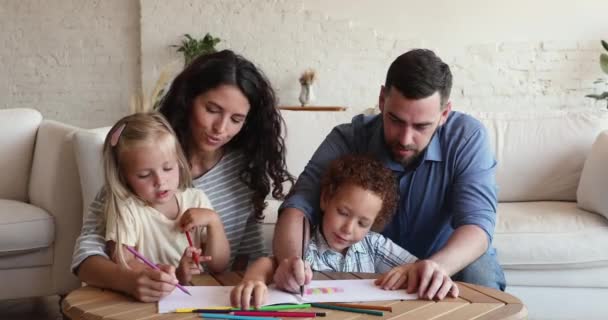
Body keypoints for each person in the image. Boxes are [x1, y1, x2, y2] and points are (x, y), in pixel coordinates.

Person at [273, 49, 505, 300]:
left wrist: (436, 267)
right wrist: (290, 262)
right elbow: (298, 205)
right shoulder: (349, 137)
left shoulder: (467, 137)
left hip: (447, 259)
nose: (405, 139)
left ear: (444, 114)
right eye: (395, 119)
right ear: (382, 99)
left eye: (421, 126)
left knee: (480, 274)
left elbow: (478, 224)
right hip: (375, 266)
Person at [71, 50, 294, 302]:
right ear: (188, 100)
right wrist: (131, 281)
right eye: (212, 109)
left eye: (236, 119)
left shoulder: (245, 170)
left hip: (211, 299)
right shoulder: (143, 157)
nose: (221, 129)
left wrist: (250, 283)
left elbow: (249, 254)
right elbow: (86, 257)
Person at [230, 155, 459, 309]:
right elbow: (269, 264)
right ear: (325, 199)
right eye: (343, 212)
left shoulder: (374, 245)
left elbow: (417, 268)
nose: (348, 229)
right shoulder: (303, 244)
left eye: (363, 223)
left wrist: (418, 270)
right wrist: (254, 279)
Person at [102, 112, 230, 285]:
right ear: (123, 177)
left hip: (196, 295)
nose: (160, 181)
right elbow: (124, 264)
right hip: (147, 299)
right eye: (144, 175)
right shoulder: (126, 209)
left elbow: (218, 266)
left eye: (168, 168)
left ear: (179, 162)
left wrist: (214, 222)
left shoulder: (196, 199)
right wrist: (174, 274)